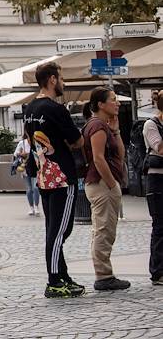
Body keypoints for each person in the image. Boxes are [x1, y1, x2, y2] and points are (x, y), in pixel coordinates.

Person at [24, 62, 85, 298]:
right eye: (61, 78)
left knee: (54, 229)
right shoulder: (56, 109)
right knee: (60, 231)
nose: (63, 82)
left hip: (43, 176)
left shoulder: (30, 108)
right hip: (61, 177)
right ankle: (54, 281)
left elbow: (30, 139)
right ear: (51, 80)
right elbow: (77, 140)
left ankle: (63, 276)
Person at [82, 87, 130, 291]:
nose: (117, 103)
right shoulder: (97, 126)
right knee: (103, 230)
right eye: (113, 99)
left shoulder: (104, 126)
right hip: (102, 185)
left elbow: (120, 154)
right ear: (100, 104)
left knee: (104, 229)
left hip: (103, 184)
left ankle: (104, 273)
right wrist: (112, 184)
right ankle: (103, 275)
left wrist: (116, 130)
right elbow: (98, 158)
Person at [141, 89, 163, 287]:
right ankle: (157, 272)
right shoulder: (151, 124)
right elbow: (160, 148)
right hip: (157, 183)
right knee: (160, 226)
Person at [12, 130, 40, 216]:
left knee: (36, 188)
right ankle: (31, 207)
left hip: (36, 168)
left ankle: (36, 206)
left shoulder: (37, 143)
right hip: (25, 168)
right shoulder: (22, 143)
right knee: (29, 189)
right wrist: (21, 154)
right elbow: (15, 154)